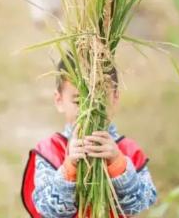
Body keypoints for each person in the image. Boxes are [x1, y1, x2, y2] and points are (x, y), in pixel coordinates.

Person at [21, 59, 157, 217]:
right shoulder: (50, 151)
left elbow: (142, 202)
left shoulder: (127, 151)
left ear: (115, 98)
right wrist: (69, 168)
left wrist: (118, 165)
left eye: (100, 100)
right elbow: (47, 210)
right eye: (78, 101)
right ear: (59, 100)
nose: (90, 111)